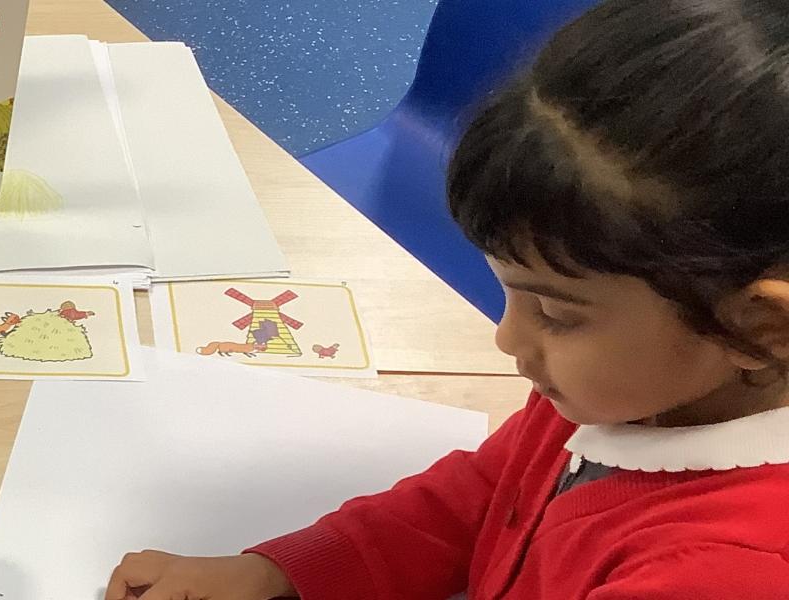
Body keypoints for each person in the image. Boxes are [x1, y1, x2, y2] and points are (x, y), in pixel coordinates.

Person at [105, 0, 789, 598]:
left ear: (760, 328)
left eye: (555, 315)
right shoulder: (627, 390)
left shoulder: (726, 571)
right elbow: (482, 496)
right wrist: (280, 572)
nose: (508, 339)